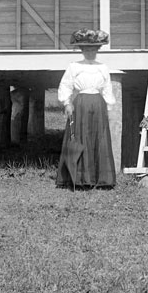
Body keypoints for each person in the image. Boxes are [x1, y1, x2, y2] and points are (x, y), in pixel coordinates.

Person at [56, 37, 117, 188]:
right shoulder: (74, 66)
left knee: (98, 137)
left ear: (97, 51)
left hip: (98, 103)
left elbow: (107, 87)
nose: (91, 53)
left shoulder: (102, 67)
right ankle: (80, 178)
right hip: (81, 103)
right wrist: (67, 102)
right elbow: (66, 84)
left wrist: (108, 106)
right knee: (80, 136)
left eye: (94, 50)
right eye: (87, 50)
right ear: (82, 51)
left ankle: (102, 179)